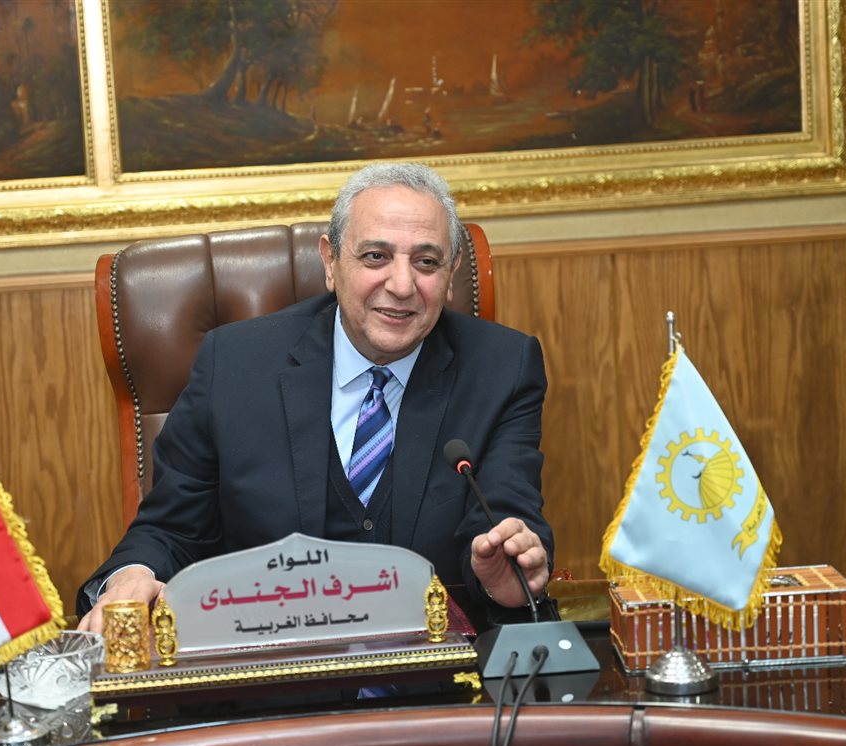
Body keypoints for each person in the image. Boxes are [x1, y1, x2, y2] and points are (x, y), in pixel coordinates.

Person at [77, 163, 552, 633]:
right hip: (269, 662)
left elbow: (504, 515)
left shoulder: (503, 369)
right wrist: (132, 576)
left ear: (452, 272)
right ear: (330, 261)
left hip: (435, 665)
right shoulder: (235, 366)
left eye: (426, 262)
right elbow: (171, 529)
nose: (402, 285)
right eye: (375, 256)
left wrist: (503, 577)